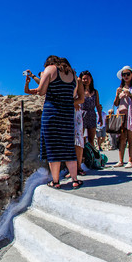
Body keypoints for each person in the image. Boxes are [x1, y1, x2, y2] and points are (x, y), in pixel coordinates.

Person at [25, 55, 83, 188]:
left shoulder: (50, 69)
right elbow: (73, 94)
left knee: (53, 148)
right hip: (67, 114)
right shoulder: (73, 74)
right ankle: (74, 179)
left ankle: (55, 181)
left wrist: (31, 84)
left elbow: (41, 91)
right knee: (68, 147)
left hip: (52, 113)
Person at [114, 66, 132, 168]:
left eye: (127, 74)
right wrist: (117, 95)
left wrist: (130, 95)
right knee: (121, 138)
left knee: (130, 137)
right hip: (120, 114)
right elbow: (116, 103)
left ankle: (130, 160)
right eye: (123, 74)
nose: (125, 76)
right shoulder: (119, 88)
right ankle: (121, 160)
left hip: (130, 114)